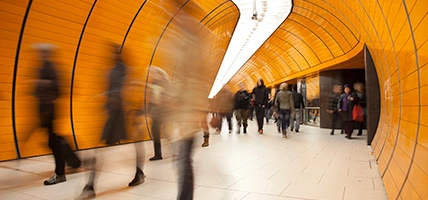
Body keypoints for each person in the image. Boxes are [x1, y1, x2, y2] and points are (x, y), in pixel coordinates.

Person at [77, 44, 145, 199]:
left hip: (123, 114)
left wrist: (105, 95)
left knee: (105, 149)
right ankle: (90, 186)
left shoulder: (124, 70)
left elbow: (125, 90)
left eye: (115, 53)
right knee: (106, 148)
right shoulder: (113, 70)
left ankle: (90, 186)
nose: (112, 56)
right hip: (117, 114)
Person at [31, 44, 81, 186]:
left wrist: (41, 84)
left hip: (49, 110)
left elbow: (58, 88)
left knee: (54, 142)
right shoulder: (41, 68)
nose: (41, 54)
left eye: (42, 52)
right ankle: (73, 160)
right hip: (44, 110)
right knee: (54, 141)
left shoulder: (51, 68)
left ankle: (61, 173)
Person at [147, 66, 171, 161]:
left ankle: (175, 150)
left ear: (159, 74)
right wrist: (149, 110)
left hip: (164, 112)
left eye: (154, 73)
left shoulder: (166, 84)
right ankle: (158, 154)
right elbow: (151, 98)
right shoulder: (152, 83)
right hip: (156, 113)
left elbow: (169, 97)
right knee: (156, 134)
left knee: (167, 133)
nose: (153, 75)